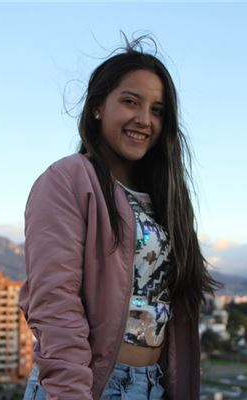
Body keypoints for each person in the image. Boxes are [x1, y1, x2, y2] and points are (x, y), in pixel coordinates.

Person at [19, 36, 220, 400]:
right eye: (130, 101)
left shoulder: (165, 197)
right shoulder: (67, 180)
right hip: (90, 387)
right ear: (98, 106)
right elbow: (55, 303)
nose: (144, 120)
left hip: (154, 385)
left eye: (157, 110)